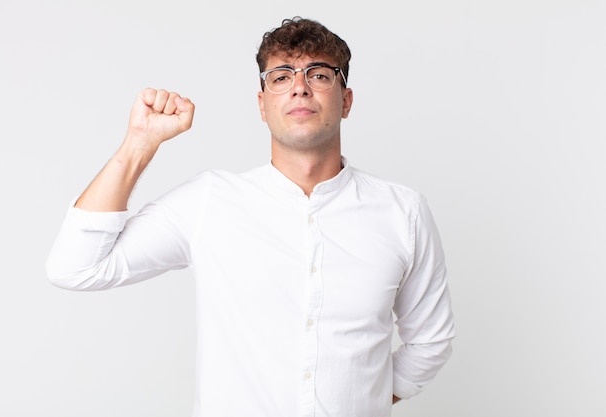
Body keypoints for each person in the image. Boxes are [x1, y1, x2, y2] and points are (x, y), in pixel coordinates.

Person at [46, 16, 455, 417]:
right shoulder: (210, 202)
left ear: (345, 100)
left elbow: (430, 343)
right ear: (262, 105)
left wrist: (362, 400)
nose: (299, 87)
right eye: (280, 77)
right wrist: (140, 143)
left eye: (319, 75)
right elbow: (76, 267)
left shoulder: (403, 212)